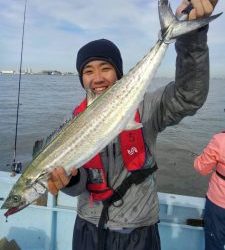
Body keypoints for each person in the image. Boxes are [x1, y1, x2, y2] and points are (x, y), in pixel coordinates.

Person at [47, 0, 218, 249]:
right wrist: (69, 182)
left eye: (105, 68)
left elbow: (188, 96)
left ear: (118, 72)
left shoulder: (146, 108)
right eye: (88, 71)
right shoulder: (70, 124)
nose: (97, 78)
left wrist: (192, 40)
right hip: (88, 228)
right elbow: (77, 185)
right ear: (81, 78)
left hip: (139, 230)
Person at [194, 132, 225, 250]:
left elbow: (202, 168)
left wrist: (199, 159)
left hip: (219, 203)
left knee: (215, 243)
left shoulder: (220, 140)